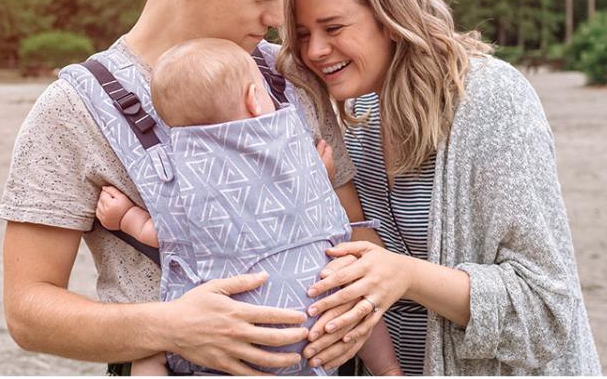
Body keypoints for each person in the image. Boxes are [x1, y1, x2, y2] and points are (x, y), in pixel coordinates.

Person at [0, 0, 380, 375]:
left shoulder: (290, 79)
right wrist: (171, 327)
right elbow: (27, 310)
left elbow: (354, 230)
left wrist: (359, 300)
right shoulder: (71, 111)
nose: (277, 19)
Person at [275, 0, 604, 375]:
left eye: (333, 28)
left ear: (390, 18)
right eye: (302, 34)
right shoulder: (358, 115)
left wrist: (406, 276)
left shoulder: (492, 99)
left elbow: (546, 311)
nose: (314, 50)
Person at [93, 38, 402, 375]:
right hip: (320, 320)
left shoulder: (186, 176)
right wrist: (321, 175)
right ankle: (387, 369)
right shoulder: (295, 146)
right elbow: (317, 204)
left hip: (241, 341)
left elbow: (164, 232)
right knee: (362, 302)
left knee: (151, 351)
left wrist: (125, 217)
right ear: (256, 100)